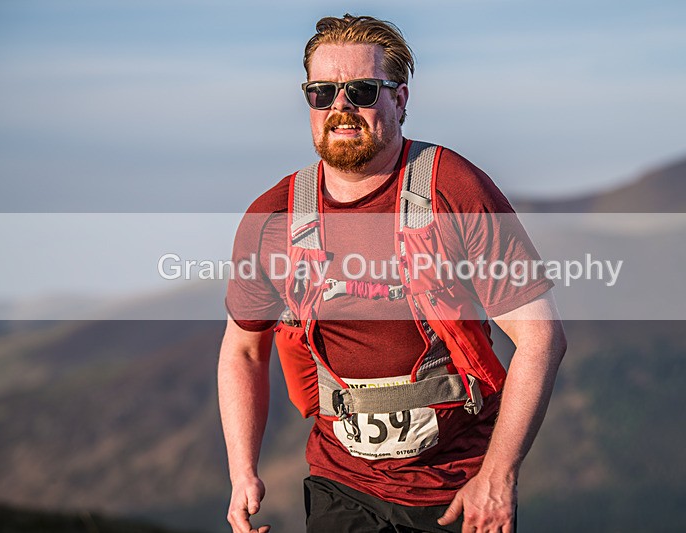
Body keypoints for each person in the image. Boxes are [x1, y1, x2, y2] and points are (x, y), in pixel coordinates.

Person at [219, 14, 567, 533]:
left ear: (400, 100)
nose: (340, 107)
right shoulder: (273, 219)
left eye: (361, 90)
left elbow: (541, 338)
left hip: (456, 489)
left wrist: (498, 476)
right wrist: (242, 471)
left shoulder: (455, 191)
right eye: (322, 92)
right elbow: (244, 351)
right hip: (340, 483)